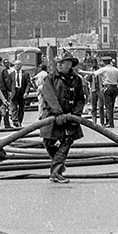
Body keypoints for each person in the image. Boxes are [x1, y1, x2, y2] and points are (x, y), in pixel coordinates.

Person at [38, 50, 86, 183]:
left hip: (70, 118)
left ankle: (55, 172)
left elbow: (80, 99)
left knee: (67, 141)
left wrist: (75, 114)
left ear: (69, 64)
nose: (59, 65)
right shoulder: (51, 78)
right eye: (58, 63)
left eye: (62, 63)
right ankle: (58, 166)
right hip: (52, 116)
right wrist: (58, 113)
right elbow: (49, 96)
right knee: (48, 142)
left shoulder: (76, 79)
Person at [92, 56, 118, 127]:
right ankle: (111, 122)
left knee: (108, 106)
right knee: (112, 106)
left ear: (104, 62)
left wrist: (81, 72)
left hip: (108, 88)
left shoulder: (104, 69)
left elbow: (93, 73)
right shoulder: (116, 70)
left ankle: (110, 123)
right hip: (114, 88)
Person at [8, 60, 31, 127]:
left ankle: (19, 121)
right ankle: (15, 120)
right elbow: (9, 83)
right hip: (14, 92)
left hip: (21, 91)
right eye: (15, 64)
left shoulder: (25, 74)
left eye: (18, 64)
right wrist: (10, 91)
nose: (16, 66)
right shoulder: (11, 74)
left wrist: (26, 92)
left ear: (21, 65)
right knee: (13, 107)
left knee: (21, 108)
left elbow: (28, 84)